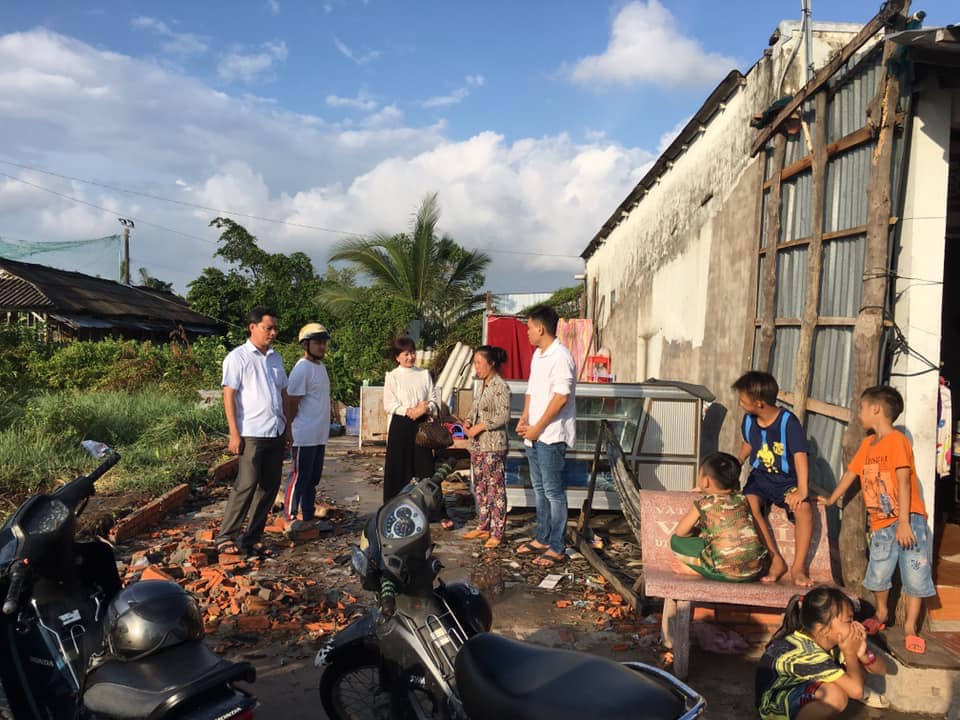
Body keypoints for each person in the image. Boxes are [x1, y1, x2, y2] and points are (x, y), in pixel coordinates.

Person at [820, 385, 937, 656]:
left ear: (876, 409)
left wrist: (905, 522)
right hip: (881, 523)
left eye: (862, 408)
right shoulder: (867, 445)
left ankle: (910, 628)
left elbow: (904, 481)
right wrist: (831, 499)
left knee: (915, 573)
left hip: (909, 520)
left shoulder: (897, 441)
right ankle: (882, 613)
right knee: (879, 571)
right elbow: (851, 474)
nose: (859, 414)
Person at [216, 307, 288, 558]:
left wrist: (287, 429)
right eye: (268, 328)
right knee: (246, 485)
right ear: (252, 327)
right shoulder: (238, 357)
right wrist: (234, 433)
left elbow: (282, 393)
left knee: (269, 488)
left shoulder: (276, 358)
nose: (273, 333)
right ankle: (226, 536)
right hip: (251, 432)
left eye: (275, 328)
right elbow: (229, 395)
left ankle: (253, 538)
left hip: (275, 430)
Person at [733, 371, 814, 586]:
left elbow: (800, 455)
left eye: (743, 400)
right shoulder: (749, 420)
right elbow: (749, 443)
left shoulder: (788, 422)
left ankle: (798, 567)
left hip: (786, 480)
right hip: (760, 477)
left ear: (759, 403)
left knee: (804, 509)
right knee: (749, 505)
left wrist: (802, 490)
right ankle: (775, 558)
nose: (740, 404)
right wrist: (736, 463)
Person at [756, 586, 887, 719]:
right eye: (849, 620)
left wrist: (862, 654)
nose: (854, 625)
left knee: (852, 677)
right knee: (834, 696)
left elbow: (882, 670)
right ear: (823, 629)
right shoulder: (807, 653)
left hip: (798, 690)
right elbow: (857, 691)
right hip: (773, 706)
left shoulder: (830, 640)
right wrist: (850, 653)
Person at [515, 305, 576, 568]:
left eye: (529, 327)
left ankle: (557, 546)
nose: (527, 332)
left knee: (553, 492)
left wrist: (538, 427)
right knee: (539, 489)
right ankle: (542, 537)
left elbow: (561, 397)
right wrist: (524, 418)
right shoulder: (538, 355)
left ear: (540, 328)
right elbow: (531, 390)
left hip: (551, 435)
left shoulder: (560, 356)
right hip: (534, 434)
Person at [671, 451, 768, 581]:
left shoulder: (703, 504)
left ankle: (697, 570)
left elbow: (680, 532)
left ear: (706, 481)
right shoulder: (743, 499)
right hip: (755, 571)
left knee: (676, 541)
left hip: (726, 573)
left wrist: (697, 532)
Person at [282, 322, 332, 534]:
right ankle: (289, 517)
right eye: (317, 342)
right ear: (306, 344)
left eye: (323, 343)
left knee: (312, 479)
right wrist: (289, 430)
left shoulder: (320, 368)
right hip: (303, 434)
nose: (321, 346)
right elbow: (291, 401)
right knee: (299, 477)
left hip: (319, 435)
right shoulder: (302, 368)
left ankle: (309, 516)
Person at [462, 345, 511, 549]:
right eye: (475, 363)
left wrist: (481, 426)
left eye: (479, 363)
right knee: (480, 487)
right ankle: (483, 525)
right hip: (478, 445)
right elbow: (475, 408)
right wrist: (467, 421)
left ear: (491, 364)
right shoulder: (482, 385)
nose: (476, 367)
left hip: (493, 445)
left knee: (495, 489)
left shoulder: (500, 386)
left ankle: (497, 532)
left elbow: (503, 415)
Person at [382, 336, 438, 504]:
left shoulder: (424, 374)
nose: (410, 357)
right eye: (406, 354)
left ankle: (430, 508)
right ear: (397, 357)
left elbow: (433, 399)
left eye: (412, 353)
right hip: (401, 425)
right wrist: (408, 411)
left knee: (425, 467)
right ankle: (394, 505)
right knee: (398, 467)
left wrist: (424, 408)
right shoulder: (392, 376)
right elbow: (389, 405)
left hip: (422, 426)